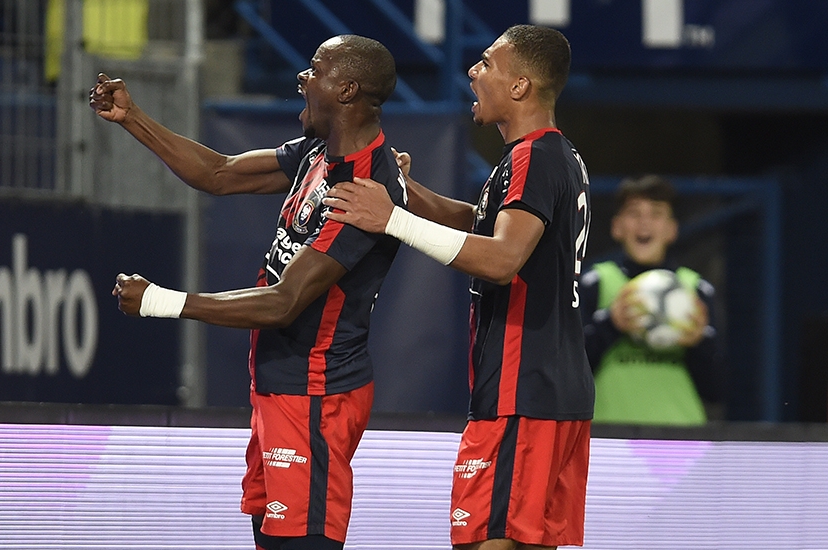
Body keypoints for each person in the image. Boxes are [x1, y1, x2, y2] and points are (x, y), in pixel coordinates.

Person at [90, 35, 405, 550]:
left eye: (315, 69)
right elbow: (218, 173)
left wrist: (161, 301)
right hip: (279, 386)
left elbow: (284, 302)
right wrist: (132, 117)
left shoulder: (366, 190)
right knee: (269, 537)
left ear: (347, 89)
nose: (302, 79)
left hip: (316, 395)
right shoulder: (317, 152)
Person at [323, 25, 593, 550]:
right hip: (553, 392)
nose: (473, 70)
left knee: (484, 541)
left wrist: (391, 222)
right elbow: (484, 224)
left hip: (520, 392)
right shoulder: (557, 156)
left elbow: (502, 258)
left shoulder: (532, 158)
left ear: (520, 87)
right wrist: (404, 195)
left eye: (488, 63)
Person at [578, 175, 721, 425]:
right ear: (617, 227)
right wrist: (610, 325)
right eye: (634, 214)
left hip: (681, 438)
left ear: (672, 230)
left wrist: (699, 345)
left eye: (656, 214)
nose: (644, 223)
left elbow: (716, 390)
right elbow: (568, 376)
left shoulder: (695, 290)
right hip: (610, 438)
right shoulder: (595, 284)